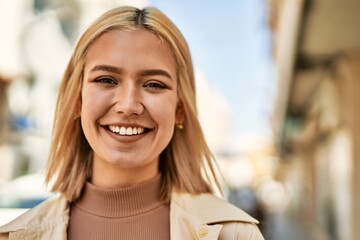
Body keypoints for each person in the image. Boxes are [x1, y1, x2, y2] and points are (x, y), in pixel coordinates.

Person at [0, 6, 264, 240]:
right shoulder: (16, 236)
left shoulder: (236, 234)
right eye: (106, 80)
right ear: (77, 100)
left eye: (154, 84)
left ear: (180, 111)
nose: (128, 105)